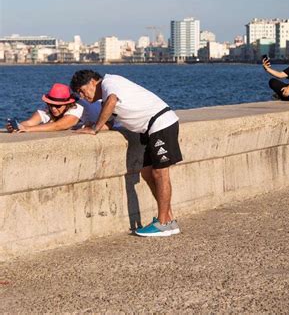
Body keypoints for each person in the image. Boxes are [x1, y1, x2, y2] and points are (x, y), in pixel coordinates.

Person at [69, 70, 183, 237]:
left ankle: (163, 222)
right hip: (149, 130)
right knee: (146, 172)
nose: (82, 95)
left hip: (161, 124)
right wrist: (88, 127)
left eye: (81, 90)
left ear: (93, 81)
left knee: (160, 173)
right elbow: (108, 121)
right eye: (78, 93)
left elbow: (112, 101)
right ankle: (169, 218)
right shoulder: (105, 98)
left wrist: (95, 129)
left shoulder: (109, 83)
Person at [5, 83, 84, 133]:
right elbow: (30, 122)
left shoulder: (77, 108)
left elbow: (58, 126)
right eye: (50, 104)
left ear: (67, 104)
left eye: (58, 106)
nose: (53, 108)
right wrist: (17, 127)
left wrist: (27, 129)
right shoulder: (48, 108)